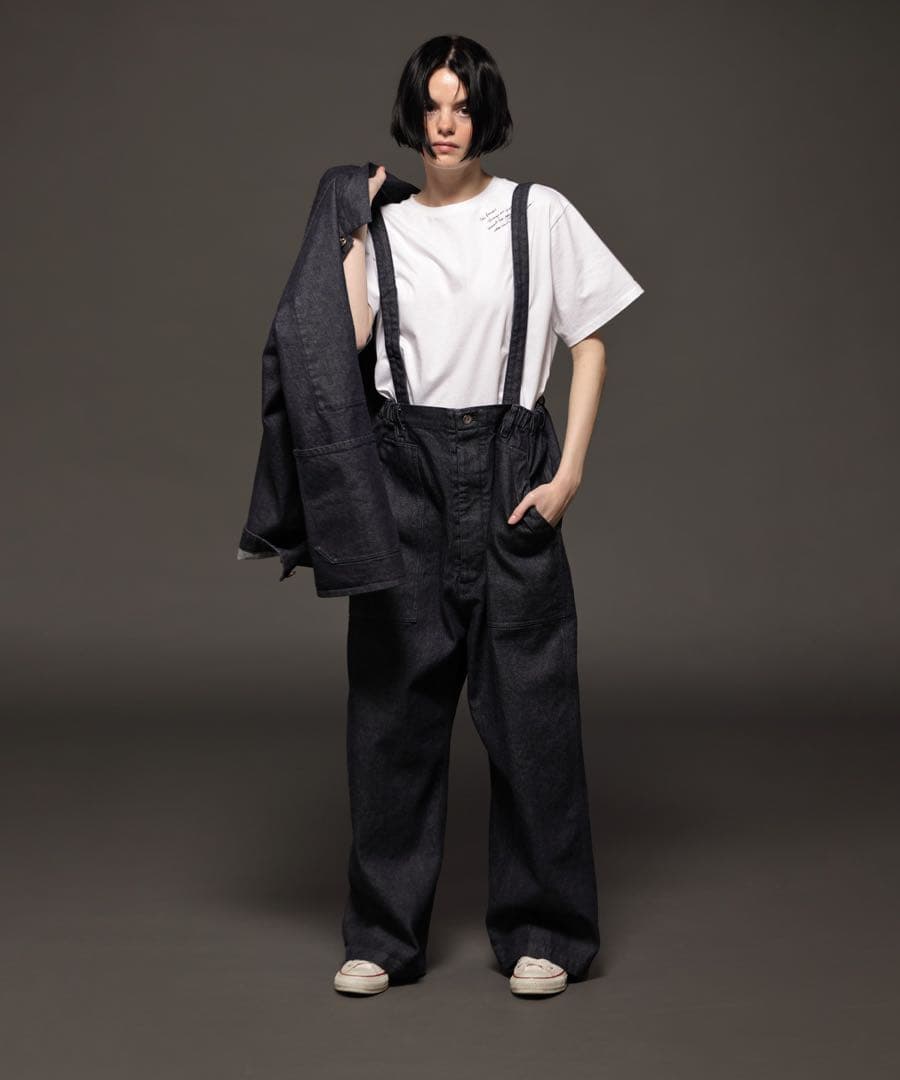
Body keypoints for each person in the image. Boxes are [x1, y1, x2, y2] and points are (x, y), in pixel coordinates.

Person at [332, 34, 644, 998]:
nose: (446, 124)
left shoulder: (537, 213)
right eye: (432, 105)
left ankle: (546, 931)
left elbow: (590, 345)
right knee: (393, 719)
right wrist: (348, 228)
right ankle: (383, 938)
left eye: (462, 106)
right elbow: (343, 346)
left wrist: (569, 475)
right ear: (412, 114)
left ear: (485, 116)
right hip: (405, 475)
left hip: (511, 467)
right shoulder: (385, 228)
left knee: (533, 717)